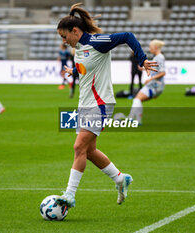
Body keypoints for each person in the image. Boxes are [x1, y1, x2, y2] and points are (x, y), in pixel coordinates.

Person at [54, 3, 158, 209]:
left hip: (100, 103)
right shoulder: (79, 50)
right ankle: (120, 179)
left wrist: (142, 59)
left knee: (78, 147)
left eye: (64, 37)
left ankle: (70, 194)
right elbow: (86, 70)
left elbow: (128, 35)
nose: (64, 42)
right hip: (85, 103)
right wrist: (72, 72)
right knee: (89, 150)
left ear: (75, 31)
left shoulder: (96, 41)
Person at [128, 40, 166, 124]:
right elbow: (156, 70)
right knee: (138, 100)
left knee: (137, 99)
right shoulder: (158, 57)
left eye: (150, 47)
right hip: (156, 86)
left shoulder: (159, 57)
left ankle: (131, 119)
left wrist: (150, 79)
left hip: (154, 85)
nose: (149, 49)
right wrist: (144, 68)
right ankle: (136, 120)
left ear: (155, 47)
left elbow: (163, 73)